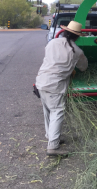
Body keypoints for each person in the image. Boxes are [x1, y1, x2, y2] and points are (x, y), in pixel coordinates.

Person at [35, 21, 88, 156]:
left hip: (41, 81)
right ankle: (53, 147)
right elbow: (84, 67)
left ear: (64, 32)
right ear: (77, 37)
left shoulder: (52, 43)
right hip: (55, 85)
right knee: (57, 111)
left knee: (47, 110)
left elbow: (49, 59)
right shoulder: (77, 51)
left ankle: (51, 136)